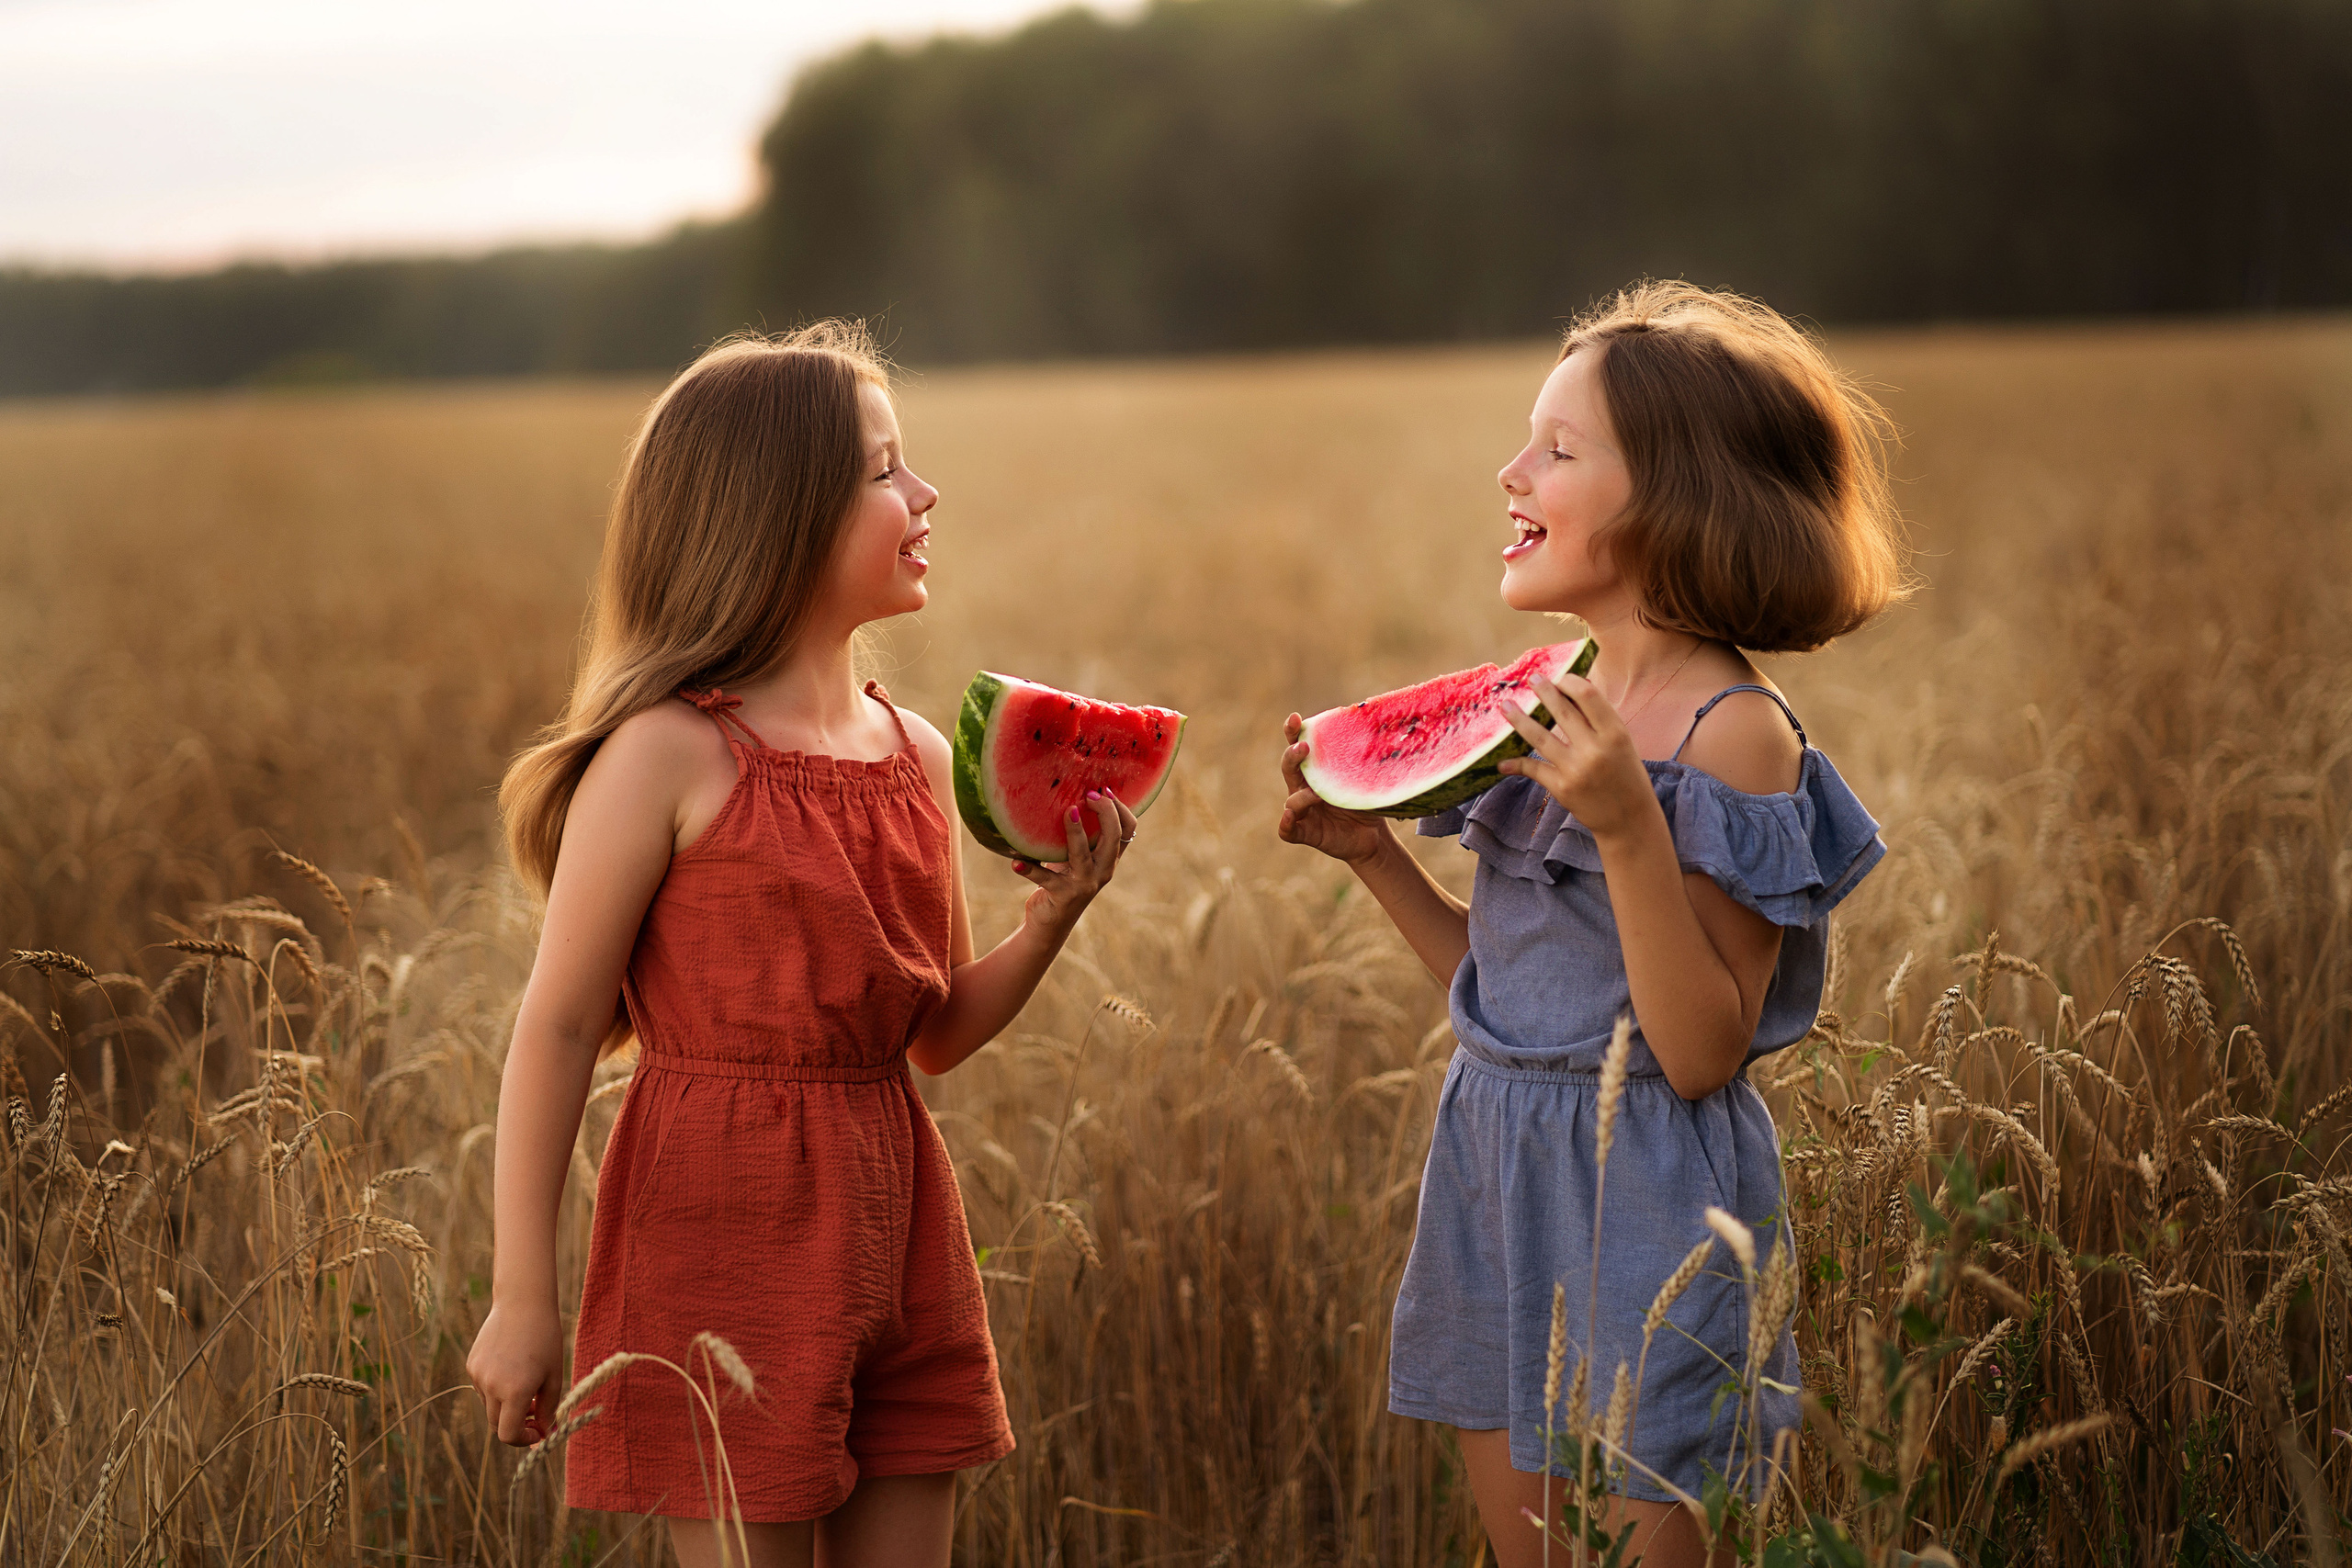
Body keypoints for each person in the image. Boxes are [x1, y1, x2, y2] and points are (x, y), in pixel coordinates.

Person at [467, 322, 1137, 1566]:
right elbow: (557, 1027)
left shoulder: (923, 753)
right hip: (723, 1231)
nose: (924, 495)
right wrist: (523, 1297)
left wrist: (1053, 917)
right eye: (884, 472)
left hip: (901, 1224)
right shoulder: (667, 753)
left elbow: (933, 1038)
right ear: (776, 516)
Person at [1276, 282, 1904, 1567]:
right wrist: (1380, 861)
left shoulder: (1734, 733)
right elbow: (1516, 997)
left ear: (1680, 498)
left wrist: (1627, 824)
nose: (1512, 472)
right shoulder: (1551, 701)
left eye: (1558, 452)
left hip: (1651, 1209)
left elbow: (1697, 1052)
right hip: (1495, 1171)